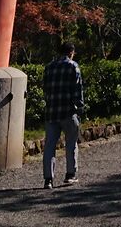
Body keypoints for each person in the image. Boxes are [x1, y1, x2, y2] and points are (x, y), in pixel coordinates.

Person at [42, 41, 84, 188]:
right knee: (71, 143)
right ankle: (70, 175)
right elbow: (77, 91)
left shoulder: (49, 67)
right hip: (68, 111)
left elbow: (45, 89)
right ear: (71, 52)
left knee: (50, 146)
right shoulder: (73, 66)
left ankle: (48, 179)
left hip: (51, 111)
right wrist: (80, 108)